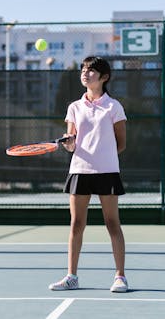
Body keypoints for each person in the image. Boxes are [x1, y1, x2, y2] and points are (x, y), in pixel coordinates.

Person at [48, 56, 128, 293]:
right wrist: (70, 144)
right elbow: (72, 142)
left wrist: (101, 155)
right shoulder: (74, 107)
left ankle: (120, 277)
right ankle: (72, 276)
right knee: (76, 224)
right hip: (79, 171)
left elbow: (121, 143)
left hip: (107, 171)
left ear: (104, 77)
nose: (85, 73)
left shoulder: (114, 107)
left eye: (91, 70)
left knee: (112, 223)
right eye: (83, 69)